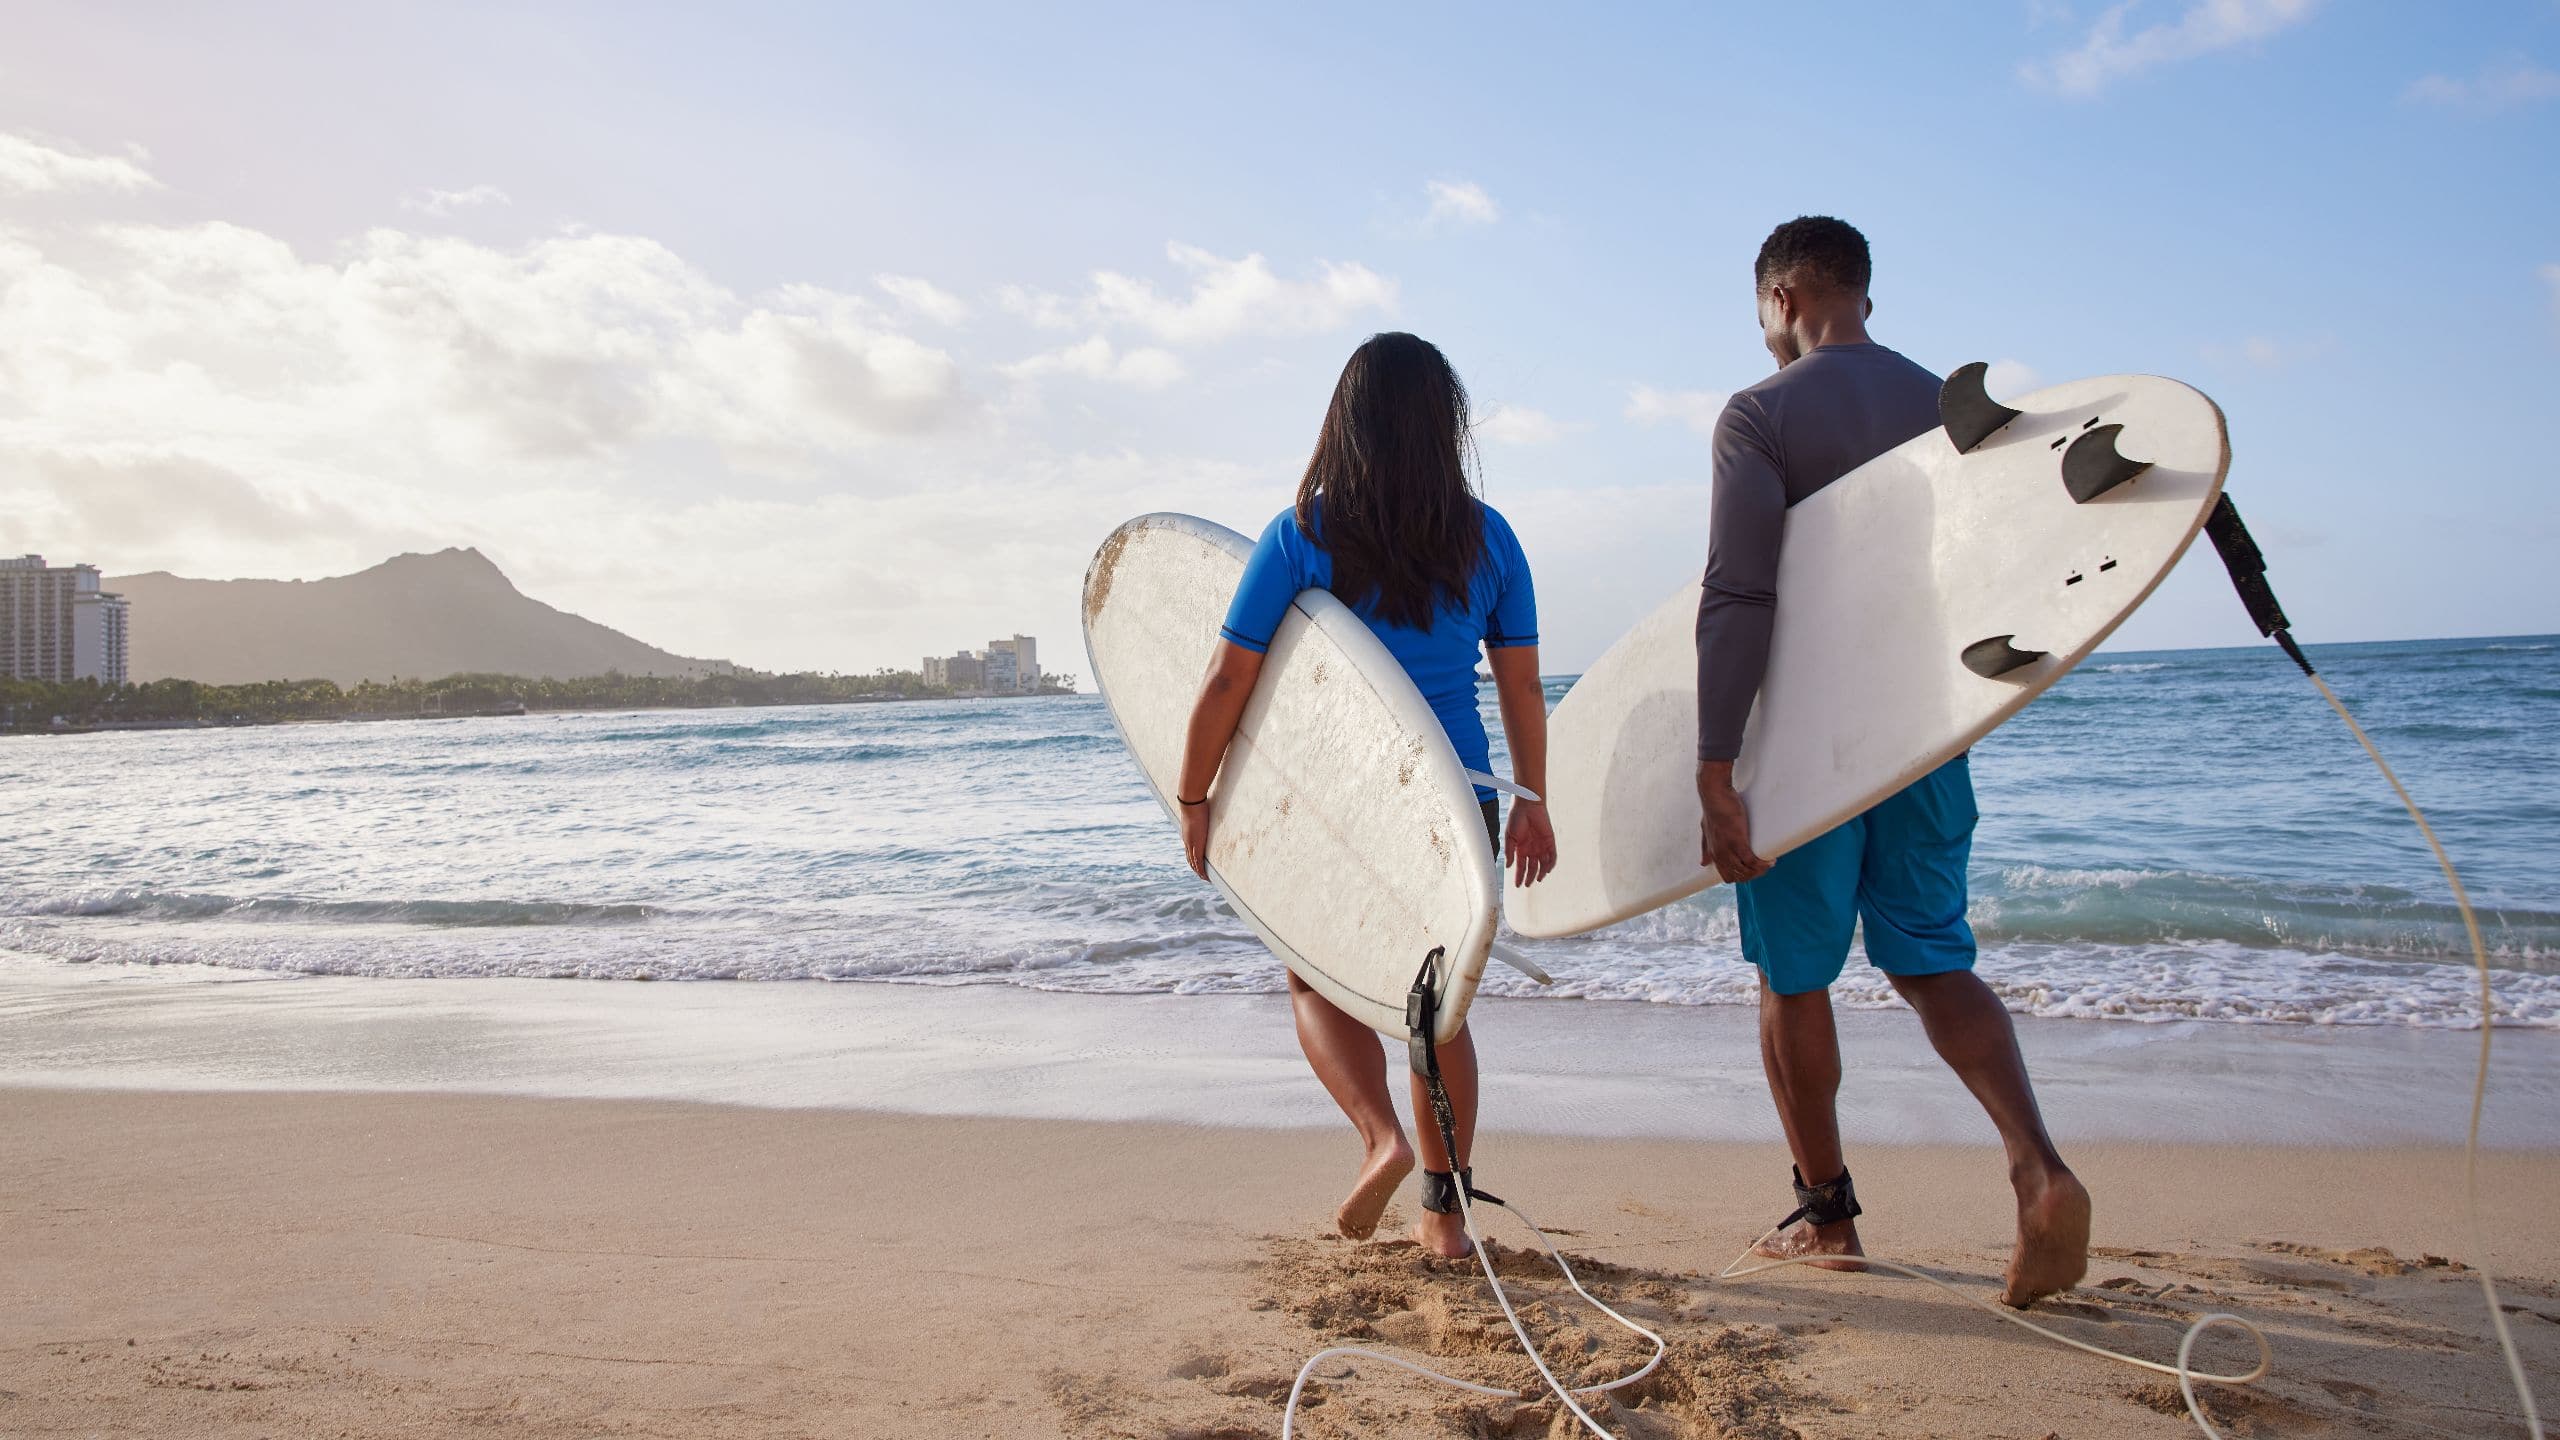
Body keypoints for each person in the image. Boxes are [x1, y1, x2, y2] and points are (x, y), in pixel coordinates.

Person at [1694, 216, 2092, 1307]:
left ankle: (1828, 1222)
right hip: (1927, 735)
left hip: (1811, 748)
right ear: (1861, 292)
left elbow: (1738, 594)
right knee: (1929, 958)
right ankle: (2036, 1165)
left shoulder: (1759, 413)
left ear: (1779, 300)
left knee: (1794, 977)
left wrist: (1713, 766)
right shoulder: (1942, 410)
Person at [1175, 331, 1558, 1260]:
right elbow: (1517, 690)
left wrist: (1194, 796)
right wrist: (1533, 799)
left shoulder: (1302, 532)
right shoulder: (1489, 537)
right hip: (1455, 797)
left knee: (1314, 973)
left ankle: (1380, 1138)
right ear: (1445, 425)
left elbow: (1230, 680)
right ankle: (1444, 1216)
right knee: (1440, 1006)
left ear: (1343, 420)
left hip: (1336, 800)